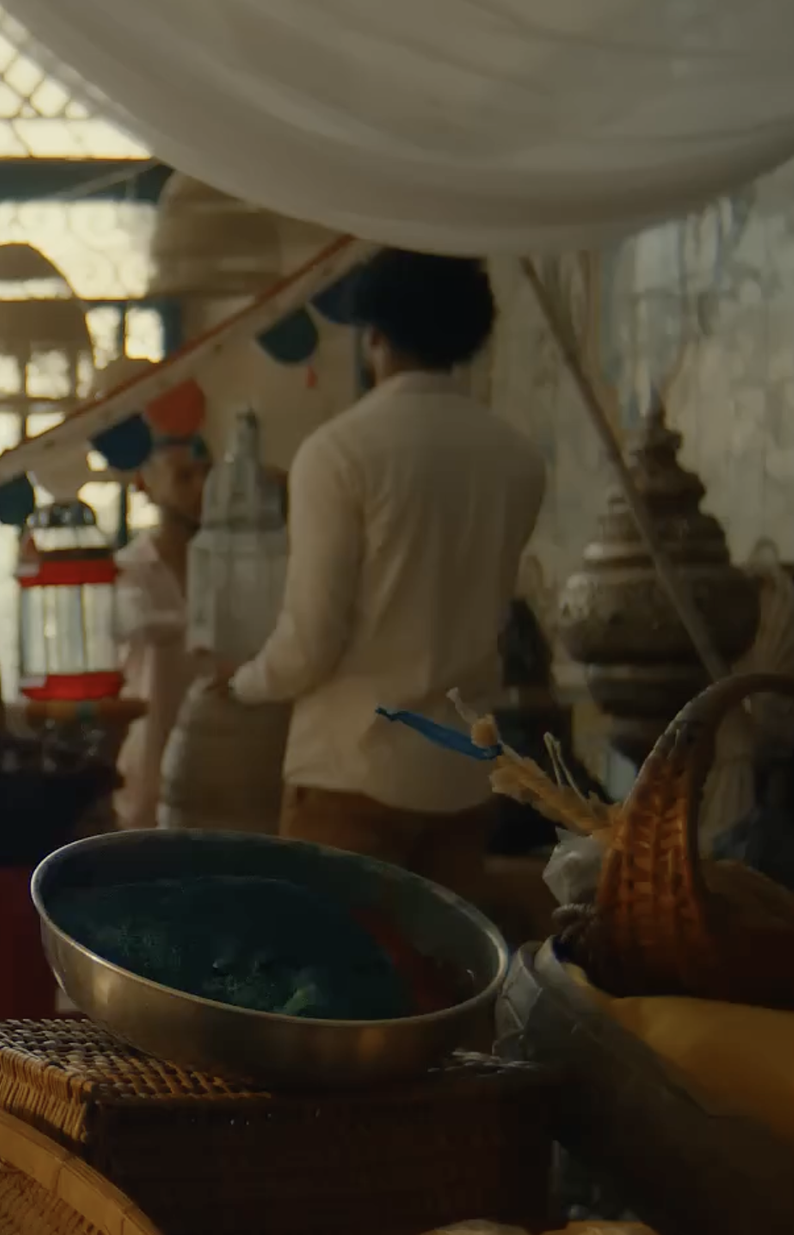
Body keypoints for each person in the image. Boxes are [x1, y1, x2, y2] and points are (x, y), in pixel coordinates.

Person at [215, 249, 546, 895]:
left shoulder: (339, 453)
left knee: (338, 987)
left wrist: (243, 684)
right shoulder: (518, 458)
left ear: (375, 337)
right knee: (443, 987)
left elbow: (311, 643)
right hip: (461, 780)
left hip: (352, 775)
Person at [113, 438, 211, 830]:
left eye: (207, 474)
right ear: (144, 483)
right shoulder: (126, 571)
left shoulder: (228, 567)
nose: (202, 489)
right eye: (185, 477)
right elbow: (138, 623)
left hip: (219, 762)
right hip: (149, 766)